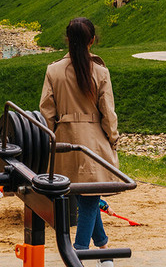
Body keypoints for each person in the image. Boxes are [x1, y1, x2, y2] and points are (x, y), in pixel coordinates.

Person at [40, 18, 120, 263]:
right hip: (93, 139)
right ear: (92, 40)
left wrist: (51, 140)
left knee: (84, 195)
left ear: (67, 39)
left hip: (64, 141)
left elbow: (46, 112)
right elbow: (108, 111)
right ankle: (78, 252)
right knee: (90, 197)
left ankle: (103, 247)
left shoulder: (54, 70)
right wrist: (113, 137)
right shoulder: (100, 71)